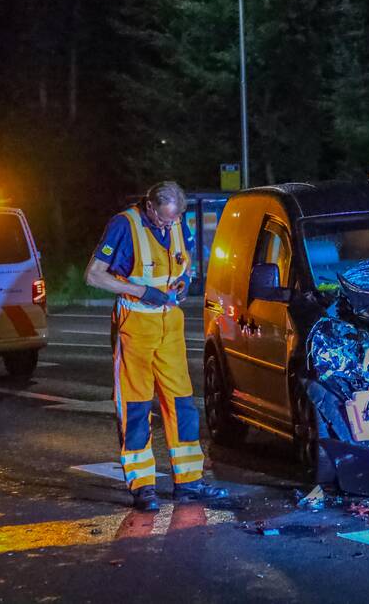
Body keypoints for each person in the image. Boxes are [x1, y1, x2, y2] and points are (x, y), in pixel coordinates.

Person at [85, 181, 227, 511]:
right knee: (135, 405)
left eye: (174, 219)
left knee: (182, 403)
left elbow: (185, 260)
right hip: (135, 323)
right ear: (150, 207)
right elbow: (93, 275)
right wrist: (140, 291)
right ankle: (143, 487)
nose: (169, 224)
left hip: (169, 323)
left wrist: (185, 280)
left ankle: (189, 481)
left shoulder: (176, 221)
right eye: (164, 218)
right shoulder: (125, 225)